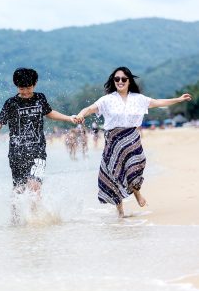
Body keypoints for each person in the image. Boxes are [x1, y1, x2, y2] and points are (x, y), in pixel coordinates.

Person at [75, 66, 192, 218]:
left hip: (132, 137)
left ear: (129, 81)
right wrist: (80, 114)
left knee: (137, 165)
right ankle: (121, 211)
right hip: (114, 140)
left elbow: (158, 102)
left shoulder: (138, 99)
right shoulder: (107, 100)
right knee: (114, 173)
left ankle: (136, 191)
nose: (120, 81)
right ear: (113, 81)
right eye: (117, 79)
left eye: (124, 79)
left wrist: (178, 99)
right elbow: (90, 108)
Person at [0, 67, 78, 222]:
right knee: (19, 189)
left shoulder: (40, 98)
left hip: (38, 152)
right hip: (17, 153)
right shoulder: (11, 103)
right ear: (17, 86)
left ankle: (34, 223)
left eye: (29, 88)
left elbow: (49, 113)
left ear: (35, 84)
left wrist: (69, 118)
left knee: (35, 187)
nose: (26, 92)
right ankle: (15, 222)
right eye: (22, 89)